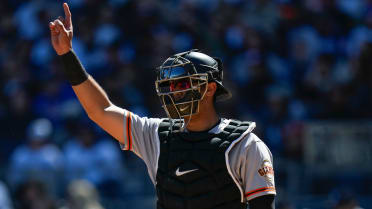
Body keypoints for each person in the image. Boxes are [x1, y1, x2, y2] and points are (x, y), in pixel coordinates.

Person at [49, 3, 276, 209]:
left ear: (209, 88)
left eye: (182, 84)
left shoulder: (245, 144)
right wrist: (67, 55)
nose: (175, 92)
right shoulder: (157, 135)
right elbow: (100, 110)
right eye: (169, 86)